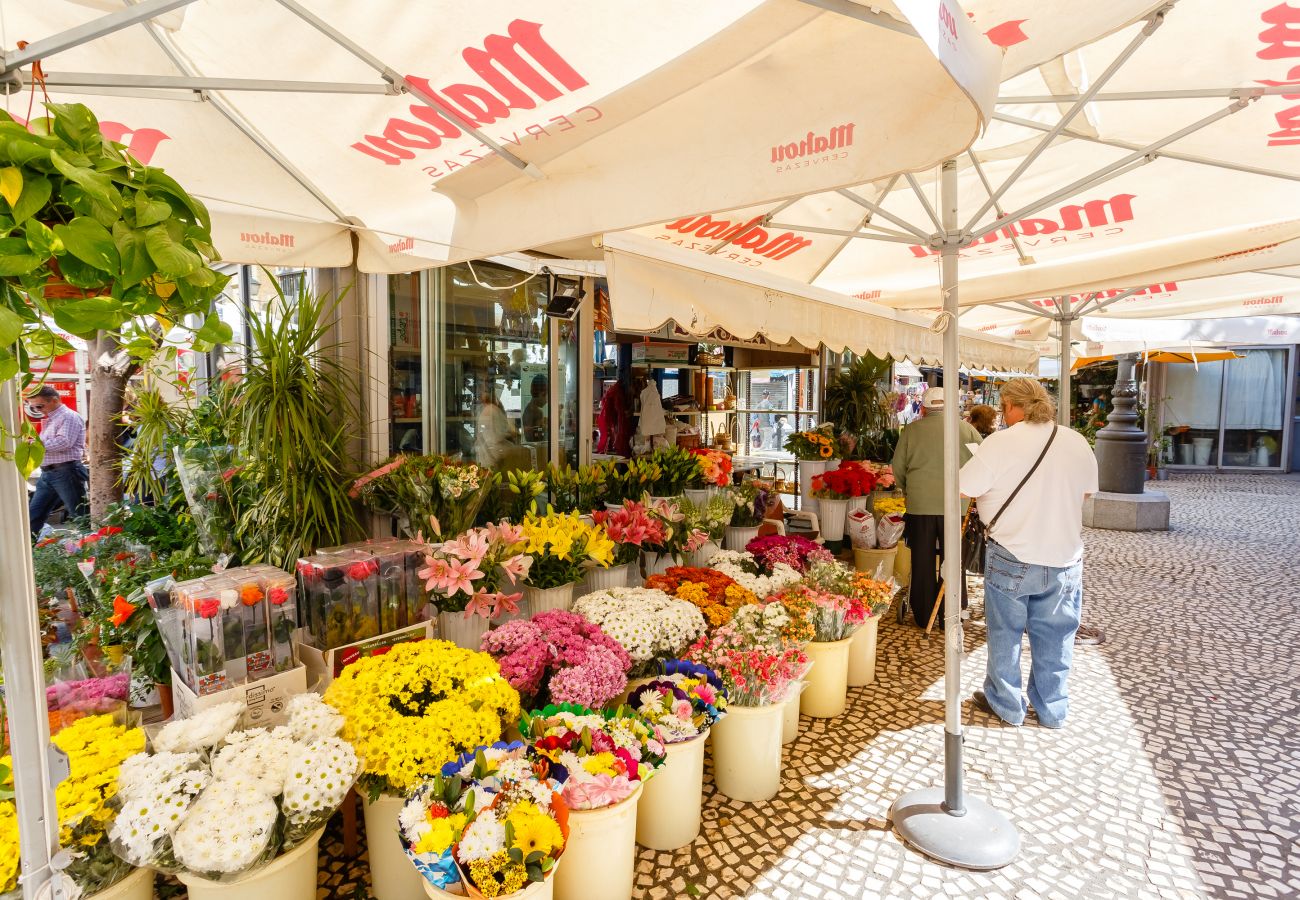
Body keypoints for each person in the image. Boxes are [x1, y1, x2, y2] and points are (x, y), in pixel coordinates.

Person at [959, 379, 1098, 729]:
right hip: (1065, 556)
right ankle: (1052, 709)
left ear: (1008, 405)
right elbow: (1085, 495)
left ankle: (1006, 705)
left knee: (1005, 632)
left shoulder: (1000, 443)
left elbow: (963, 486)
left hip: (1012, 552)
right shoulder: (1076, 441)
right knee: (1057, 635)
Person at [890, 387, 982, 627]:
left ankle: (923, 613)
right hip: (957, 506)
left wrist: (909, 489)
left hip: (920, 506)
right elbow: (983, 465)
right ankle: (950, 613)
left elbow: (897, 468)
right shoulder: (967, 430)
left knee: (922, 559)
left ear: (925, 407)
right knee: (954, 560)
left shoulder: (911, 430)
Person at [27, 385, 88, 535]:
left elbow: (64, 442)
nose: (38, 410)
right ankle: (30, 554)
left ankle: (93, 553)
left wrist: (36, 445)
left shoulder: (68, 416)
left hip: (66, 471)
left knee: (81, 517)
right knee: (33, 517)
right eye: (34, 408)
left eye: (39, 406)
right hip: (50, 472)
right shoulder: (54, 419)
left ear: (54, 400)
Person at [474, 388, 518, 470]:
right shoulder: (492, 410)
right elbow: (497, 436)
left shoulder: (486, 410)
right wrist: (511, 433)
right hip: (492, 454)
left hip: (486, 454)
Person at [522, 374, 548, 441]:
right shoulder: (538, 412)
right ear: (541, 394)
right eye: (546, 396)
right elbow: (539, 439)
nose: (547, 400)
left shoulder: (528, 408)